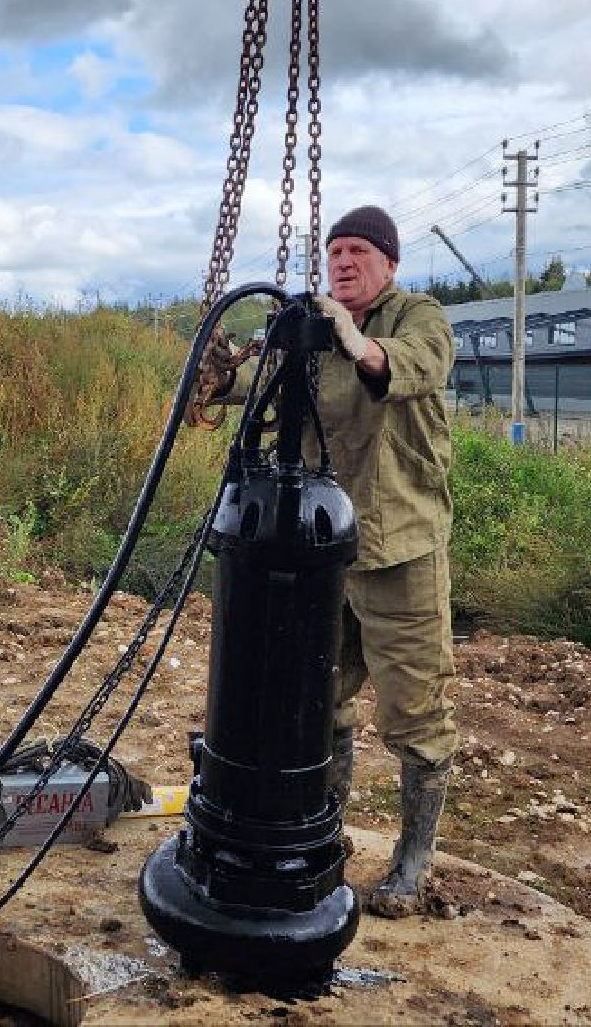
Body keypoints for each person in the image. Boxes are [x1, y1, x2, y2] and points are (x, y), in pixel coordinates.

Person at [198, 205, 458, 919]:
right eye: (335, 250)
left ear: (389, 265)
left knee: (414, 713)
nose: (343, 262)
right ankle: (325, 838)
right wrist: (218, 377)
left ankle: (412, 861)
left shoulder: (418, 316)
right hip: (321, 556)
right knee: (318, 705)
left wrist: (355, 340)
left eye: (358, 252)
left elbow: (416, 366)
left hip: (399, 550)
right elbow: (260, 392)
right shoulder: (309, 328)